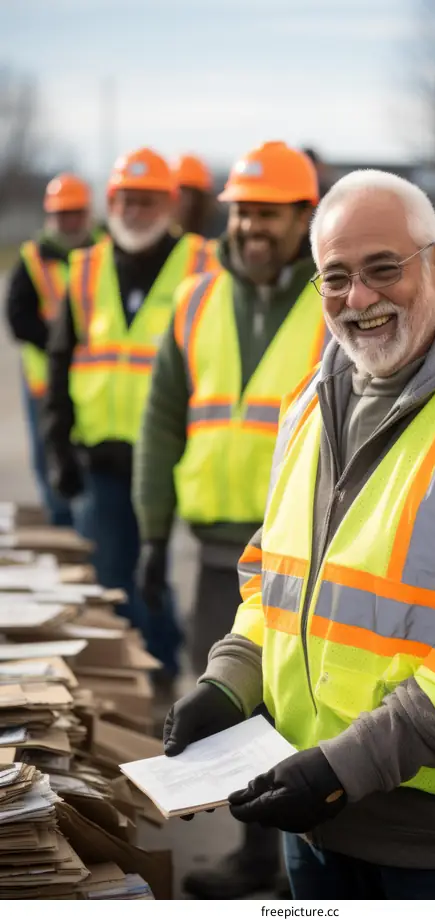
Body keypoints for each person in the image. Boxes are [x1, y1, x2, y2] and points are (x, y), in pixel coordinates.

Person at [162, 169, 435, 900]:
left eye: (384, 268)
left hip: (433, 838)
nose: (359, 299)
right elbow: (274, 580)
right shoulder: (308, 410)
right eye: (336, 278)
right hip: (311, 815)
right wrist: (229, 680)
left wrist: (346, 765)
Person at [133, 140, 328, 898]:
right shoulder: (195, 301)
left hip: (313, 553)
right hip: (221, 554)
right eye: (242, 211)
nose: (251, 226)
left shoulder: (332, 297)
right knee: (232, 710)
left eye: (268, 213)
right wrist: (153, 533)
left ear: (305, 216)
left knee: (302, 717)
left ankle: (299, 874)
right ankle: (254, 864)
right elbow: (160, 424)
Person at [42, 147, 216, 689]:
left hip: (171, 455)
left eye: (148, 201)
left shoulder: (200, 263)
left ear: (169, 203)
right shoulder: (86, 267)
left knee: (159, 576)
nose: (136, 211)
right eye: (126, 200)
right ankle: (134, 680)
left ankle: (162, 674)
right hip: (102, 458)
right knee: (113, 579)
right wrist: (57, 447)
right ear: (111, 203)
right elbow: (60, 358)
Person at [4, 173, 96, 526]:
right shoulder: (33, 259)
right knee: (50, 456)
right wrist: (60, 346)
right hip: (45, 382)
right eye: (62, 214)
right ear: (49, 216)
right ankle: (61, 525)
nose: (69, 221)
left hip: (92, 384)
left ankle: (88, 526)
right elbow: (18, 317)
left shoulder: (104, 253)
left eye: (75, 213)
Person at [172, 153, 223, 238]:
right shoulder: (162, 234)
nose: (187, 202)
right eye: (181, 193)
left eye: (193, 195)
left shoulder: (221, 232)